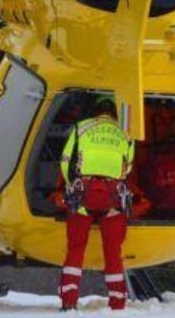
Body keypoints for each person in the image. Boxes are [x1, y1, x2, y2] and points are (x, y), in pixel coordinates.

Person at [58, 95, 134, 311]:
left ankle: (69, 301)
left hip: (84, 194)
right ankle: (118, 303)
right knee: (113, 252)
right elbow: (128, 166)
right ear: (115, 111)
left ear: (95, 109)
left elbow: (65, 160)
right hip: (113, 198)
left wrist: (71, 184)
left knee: (75, 248)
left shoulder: (81, 127)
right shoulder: (127, 133)